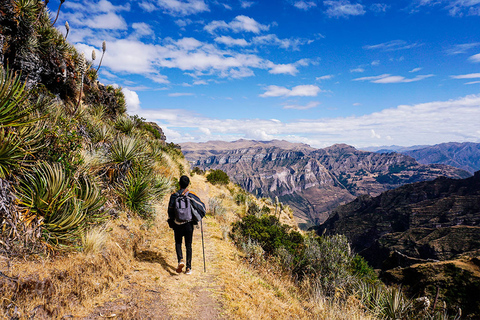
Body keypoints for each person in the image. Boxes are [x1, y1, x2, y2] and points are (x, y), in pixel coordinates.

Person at [167, 175, 204, 275]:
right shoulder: (191, 194)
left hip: (177, 223)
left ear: (179, 184)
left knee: (178, 243)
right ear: (188, 184)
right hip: (188, 224)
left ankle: (180, 260)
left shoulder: (174, 195)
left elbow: (170, 210)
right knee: (188, 245)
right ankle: (188, 268)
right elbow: (200, 206)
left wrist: (171, 220)